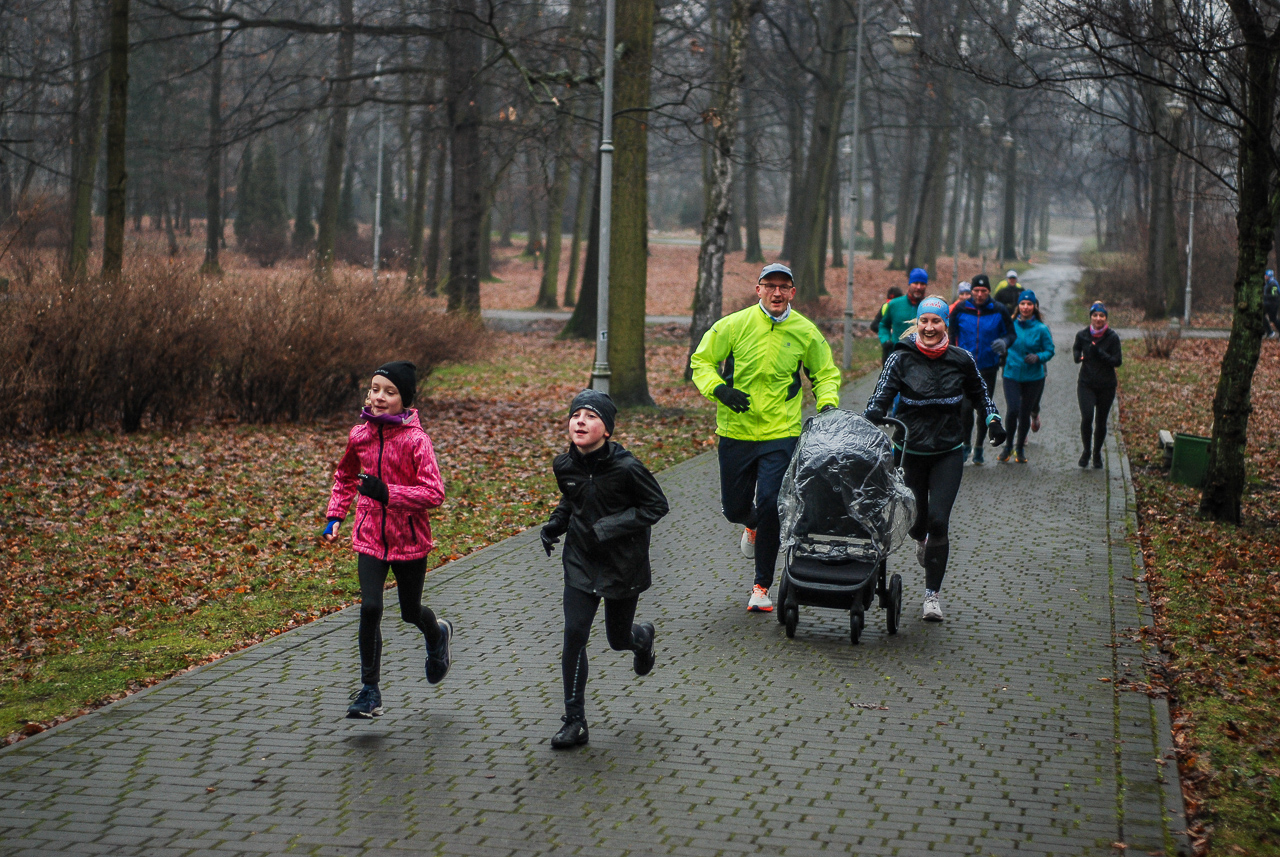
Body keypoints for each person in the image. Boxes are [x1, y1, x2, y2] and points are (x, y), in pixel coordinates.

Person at [690, 262, 842, 613]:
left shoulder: (805, 331)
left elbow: (825, 372)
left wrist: (828, 402)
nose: (776, 293)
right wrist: (719, 390)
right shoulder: (734, 325)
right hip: (735, 432)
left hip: (781, 432)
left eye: (783, 287)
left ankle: (761, 586)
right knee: (734, 508)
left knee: (773, 502)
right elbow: (701, 361)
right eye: (769, 285)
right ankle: (751, 525)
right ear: (758, 289)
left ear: (792, 292)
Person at [539, 390, 670, 749]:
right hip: (580, 561)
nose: (580, 421)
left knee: (617, 639)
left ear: (607, 429)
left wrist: (609, 527)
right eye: (576, 415)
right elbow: (572, 499)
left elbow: (657, 506)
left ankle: (641, 639)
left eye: (591, 416)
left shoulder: (628, 468)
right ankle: (574, 720)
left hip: (622, 566)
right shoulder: (563, 465)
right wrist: (554, 525)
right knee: (574, 635)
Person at [864, 297, 1006, 622]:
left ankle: (932, 596)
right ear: (917, 323)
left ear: (946, 325)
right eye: (924, 321)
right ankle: (920, 539)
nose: (929, 327)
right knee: (917, 523)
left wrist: (993, 420)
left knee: (939, 521)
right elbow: (882, 393)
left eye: (936, 321)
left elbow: (982, 394)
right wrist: (873, 413)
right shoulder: (900, 358)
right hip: (910, 452)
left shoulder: (962, 359)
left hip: (947, 451)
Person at [324, 361, 451, 720]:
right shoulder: (359, 435)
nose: (379, 397)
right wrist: (336, 514)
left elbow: (434, 493)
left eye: (389, 392)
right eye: (375, 389)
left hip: (409, 537)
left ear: (405, 400)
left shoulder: (416, 440)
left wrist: (388, 493)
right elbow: (345, 475)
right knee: (370, 608)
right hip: (369, 535)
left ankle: (437, 633)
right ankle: (369, 690)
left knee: (410, 612)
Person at [948, 274, 1012, 464]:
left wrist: (1004, 342)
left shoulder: (999, 310)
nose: (979, 294)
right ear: (971, 292)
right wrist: (952, 353)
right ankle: (966, 443)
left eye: (983, 291)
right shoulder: (960, 308)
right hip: (965, 367)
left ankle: (979, 447)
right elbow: (951, 333)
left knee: (984, 409)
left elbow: (1011, 333)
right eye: (976, 291)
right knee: (965, 408)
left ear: (989, 292)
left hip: (988, 367)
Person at [998, 291, 1055, 464]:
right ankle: (1008, 445)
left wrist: (1038, 357)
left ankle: (1020, 448)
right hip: (1012, 374)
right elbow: (1002, 340)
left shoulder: (1041, 329)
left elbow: (1050, 350)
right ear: (1018, 306)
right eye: (1023, 304)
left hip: (1033, 377)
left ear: (1034, 307)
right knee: (1013, 409)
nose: (1025, 307)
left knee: (1024, 412)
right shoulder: (1010, 325)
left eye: (1029, 304)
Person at [1073, 302, 1123, 468]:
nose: (1098, 318)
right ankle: (1086, 450)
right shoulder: (1083, 335)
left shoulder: (1112, 337)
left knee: (1101, 421)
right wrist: (1079, 357)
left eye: (1101, 316)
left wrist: (1099, 353)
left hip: (1106, 385)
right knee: (1087, 417)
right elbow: (1076, 349)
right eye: (1095, 315)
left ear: (1106, 318)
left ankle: (1097, 453)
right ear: (1091, 317)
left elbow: (1117, 361)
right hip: (1086, 383)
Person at [879, 268, 929, 348]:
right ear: (909, 284)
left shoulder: (929, 306)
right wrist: (886, 340)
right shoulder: (894, 304)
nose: (919, 287)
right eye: (915, 283)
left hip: (921, 355)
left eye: (922, 284)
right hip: (898, 352)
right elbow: (884, 325)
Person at [871, 286, 904, 362]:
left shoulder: (905, 308)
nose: (891, 305)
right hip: (889, 348)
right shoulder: (885, 307)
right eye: (889, 301)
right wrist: (886, 334)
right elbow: (874, 325)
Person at [1264, 269, 1280, 339]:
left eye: (1266, 275)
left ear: (1269, 276)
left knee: (1273, 319)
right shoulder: (1267, 283)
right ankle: (1269, 332)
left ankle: (1270, 332)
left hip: (1273, 304)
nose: (1265, 276)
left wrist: (1265, 296)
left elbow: (1275, 295)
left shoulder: (1273, 283)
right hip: (1268, 303)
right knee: (1261, 315)